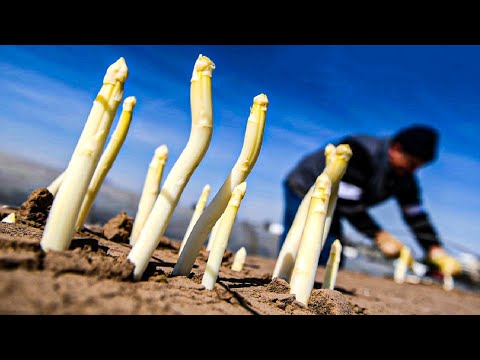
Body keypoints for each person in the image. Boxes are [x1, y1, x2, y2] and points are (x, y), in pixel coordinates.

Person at [280, 124, 461, 277]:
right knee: (303, 241)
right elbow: (347, 201)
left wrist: (434, 249)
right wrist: (379, 236)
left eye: (418, 167)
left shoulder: (405, 178)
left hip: (336, 204)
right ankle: (282, 283)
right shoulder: (359, 150)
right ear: (396, 149)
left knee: (332, 253)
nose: (413, 171)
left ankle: (314, 291)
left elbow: (415, 215)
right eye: (412, 163)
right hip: (303, 189)